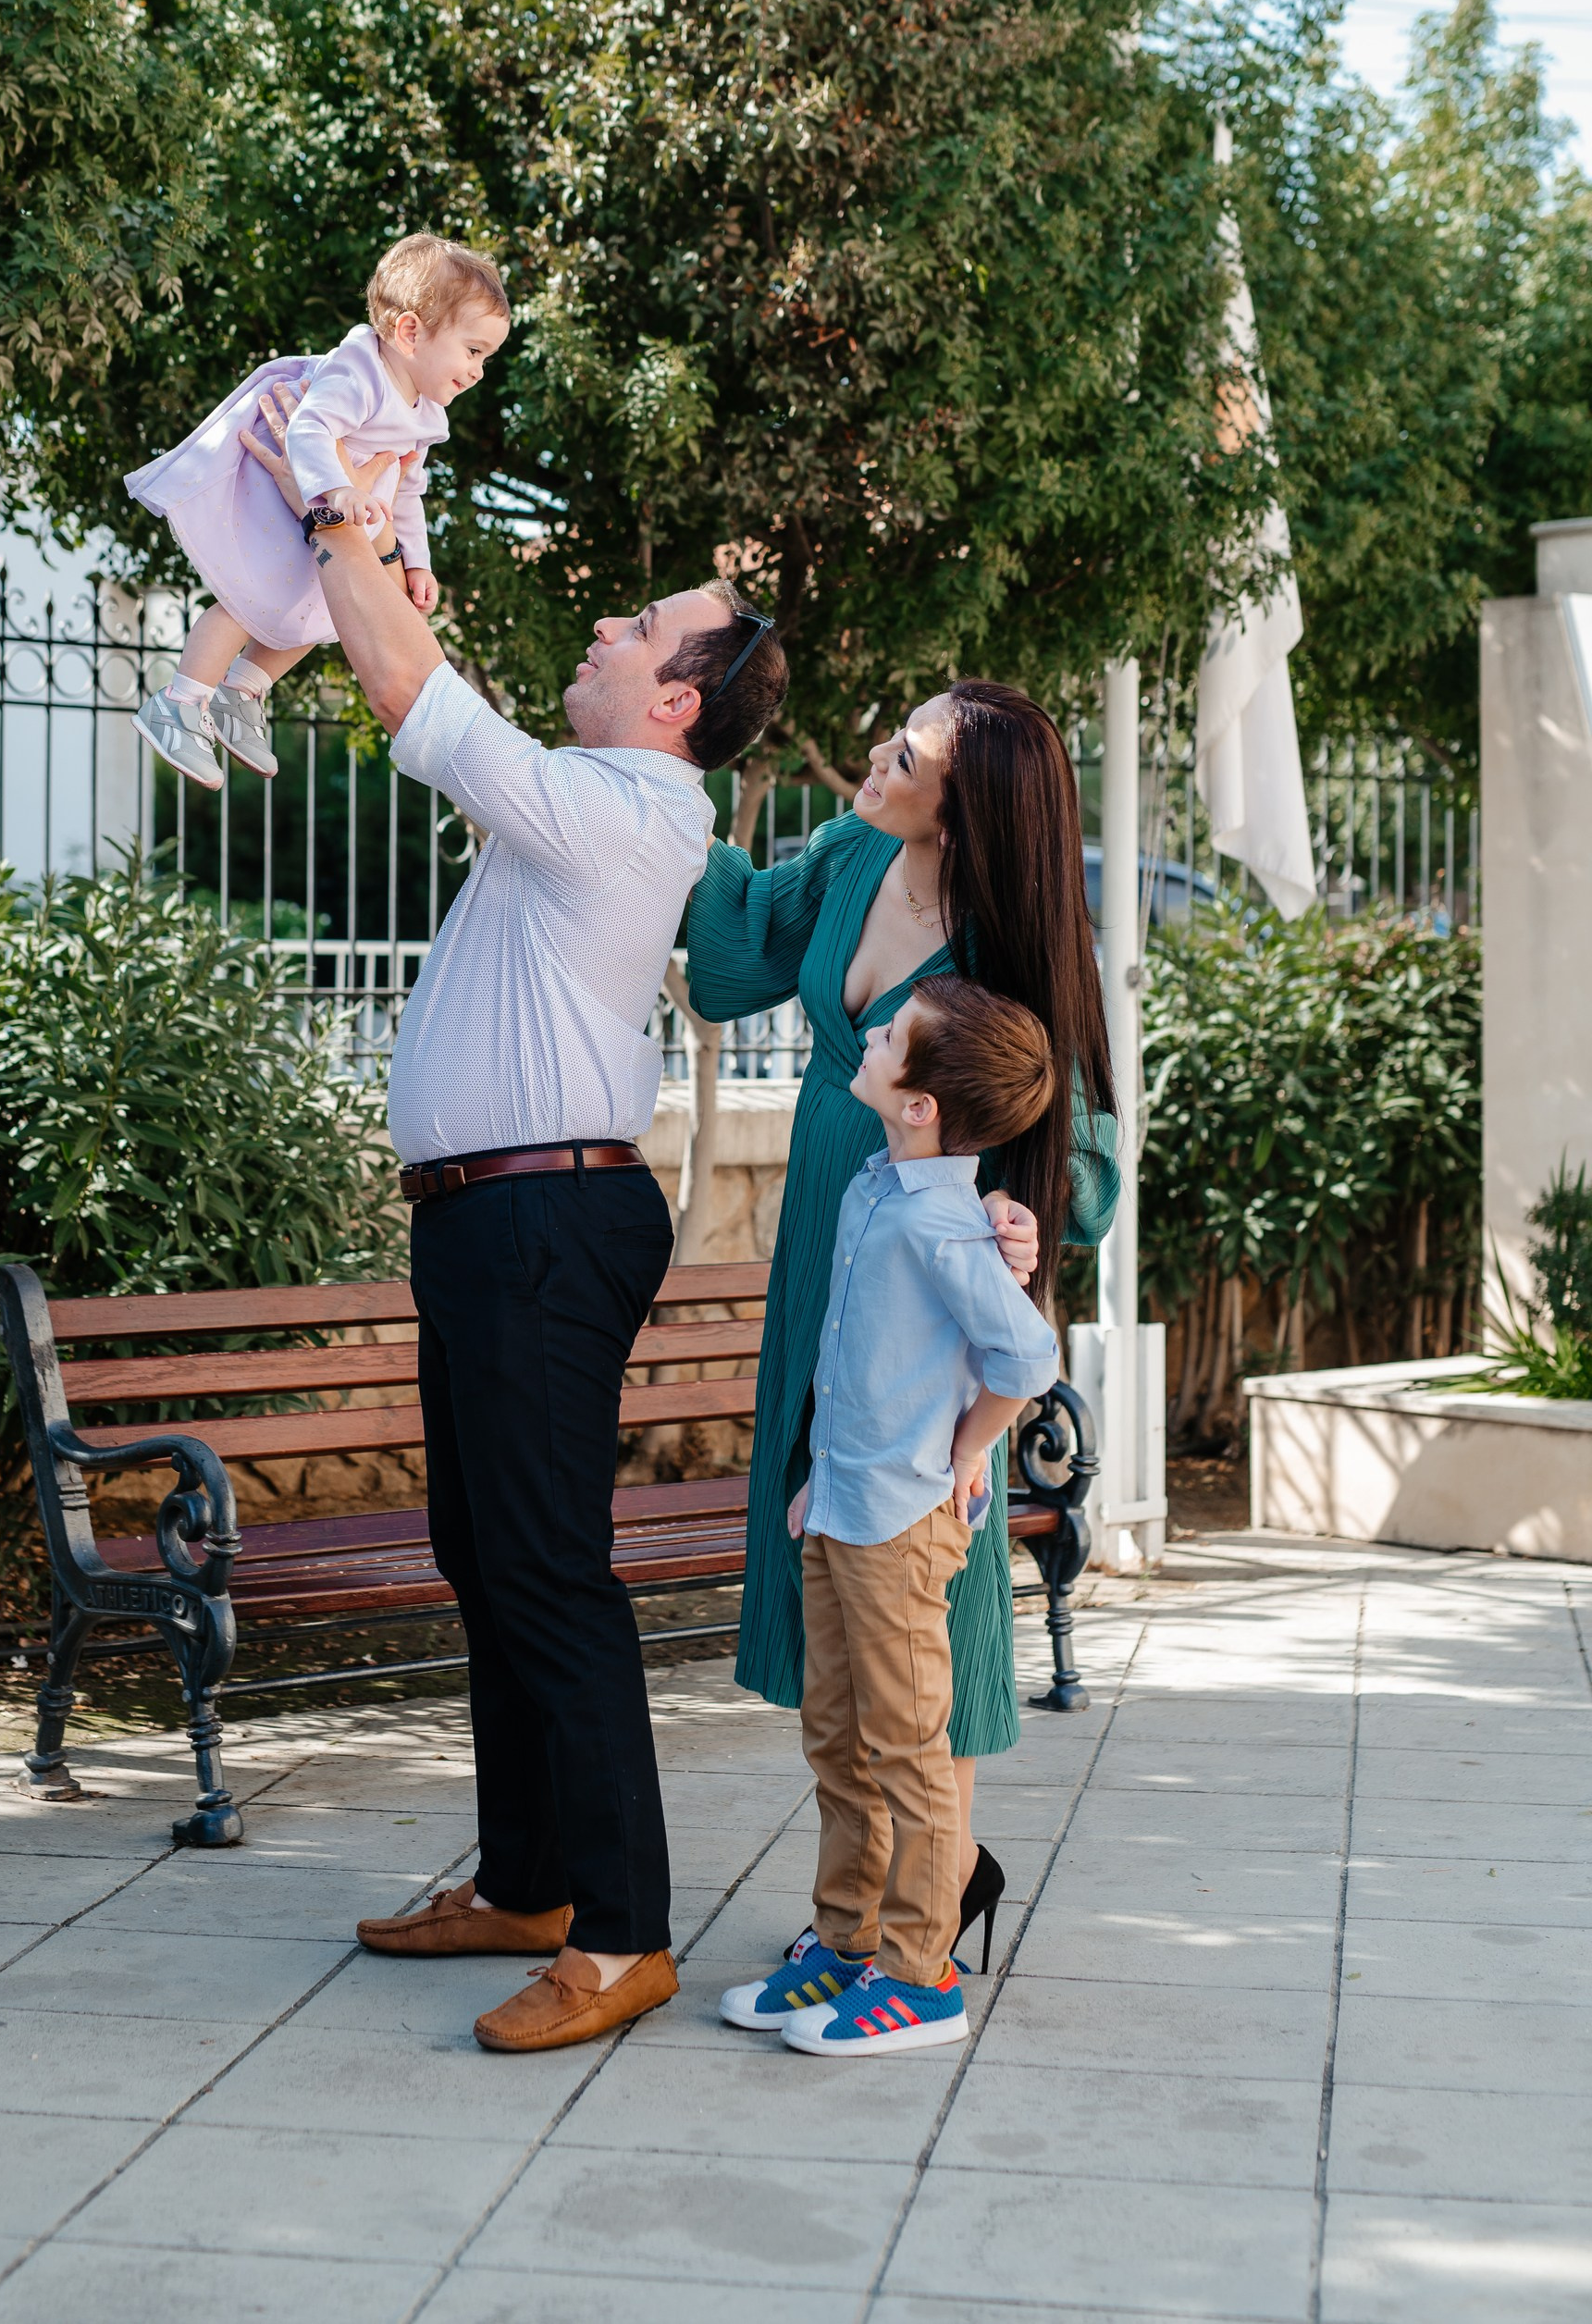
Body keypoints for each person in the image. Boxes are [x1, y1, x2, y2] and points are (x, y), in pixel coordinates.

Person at [242, 404, 791, 2053]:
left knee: (549, 1569)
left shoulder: (623, 810)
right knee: (487, 1557)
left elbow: (416, 692)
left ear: (674, 697)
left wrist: (333, 508)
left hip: (542, 1219)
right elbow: (418, 681)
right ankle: (533, 1878)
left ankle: (620, 1934)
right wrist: (373, 558)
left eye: (639, 627)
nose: (607, 627)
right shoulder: (579, 798)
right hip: (502, 1220)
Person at [684, 683, 1119, 1959]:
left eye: (906, 753)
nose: (875, 754)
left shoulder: (1012, 936)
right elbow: (728, 964)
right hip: (829, 1223)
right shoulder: (851, 848)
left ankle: (927, 1895)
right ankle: (870, 1896)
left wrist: (1016, 1217)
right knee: (829, 1555)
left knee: (926, 1559)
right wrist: (673, 801)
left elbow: (1080, 1155)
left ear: (969, 802)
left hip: (927, 1249)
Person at [721, 975, 1059, 2056]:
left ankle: (922, 1977)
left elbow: (1025, 1354)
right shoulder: (878, 1183)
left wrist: (965, 1453)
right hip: (839, 1506)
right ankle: (846, 1943)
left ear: (920, 1103)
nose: (866, 1033)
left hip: (902, 1527)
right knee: (836, 1737)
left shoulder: (945, 1225)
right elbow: (859, 1356)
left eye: (891, 1036)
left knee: (908, 1752)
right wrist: (821, 1471)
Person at [124, 235, 510, 789]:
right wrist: (337, 489)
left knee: (323, 612)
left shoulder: (425, 413)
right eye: (473, 351)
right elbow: (308, 428)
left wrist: (418, 564)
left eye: (485, 358)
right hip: (284, 496)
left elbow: (407, 490)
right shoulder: (360, 371)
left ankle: (242, 691)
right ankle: (180, 702)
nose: (478, 371)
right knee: (246, 600)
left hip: (334, 519)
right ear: (409, 332)